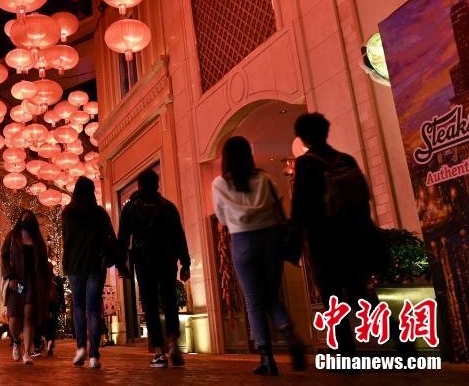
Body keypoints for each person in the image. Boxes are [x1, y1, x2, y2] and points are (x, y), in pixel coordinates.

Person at [291, 112, 398, 360]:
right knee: (361, 295)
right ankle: (399, 338)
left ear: (303, 137)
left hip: (324, 243)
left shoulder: (306, 164)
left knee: (332, 299)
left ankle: (344, 352)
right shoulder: (346, 160)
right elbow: (365, 201)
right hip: (354, 240)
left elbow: (301, 207)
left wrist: (296, 241)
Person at [213, 136, 307, 375]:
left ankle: (267, 358)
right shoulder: (264, 178)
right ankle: (289, 333)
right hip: (270, 238)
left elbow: (222, 218)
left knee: (254, 301)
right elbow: (279, 208)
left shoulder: (220, 184)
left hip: (243, 241)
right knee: (271, 296)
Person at [118, 168, 190, 368]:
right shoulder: (168, 207)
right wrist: (185, 262)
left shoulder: (130, 208)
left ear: (139, 186)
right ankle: (174, 343)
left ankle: (159, 351)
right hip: (167, 259)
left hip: (143, 259)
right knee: (169, 300)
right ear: (157, 185)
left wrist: (121, 264)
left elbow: (123, 238)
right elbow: (179, 236)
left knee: (149, 304)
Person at [63, 176, 117, 369]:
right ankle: (94, 355)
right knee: (93, 309)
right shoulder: (99, 213)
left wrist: (66, 264)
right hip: (95, 266)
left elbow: (65, 241)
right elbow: (111, 236)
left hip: (75, 266)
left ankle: (80, 349)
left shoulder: (68, 212)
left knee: (78, 307)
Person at [0, 209, 51, 365]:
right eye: (24, 217)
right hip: (16, 283)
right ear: (20, 220)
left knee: (29, 316)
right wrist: (10, 276)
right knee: (14, 318)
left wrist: (47, 286)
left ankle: (27, 353)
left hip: (32, 284)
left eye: (30, 217)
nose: (27, 220)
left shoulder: (39, 242)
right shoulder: (12, 237)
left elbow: (44, 266)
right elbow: (4, 257)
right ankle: (16, 341)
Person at [42, 273, 65, 357]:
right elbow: (62, 294)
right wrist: (63, 307)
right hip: (56, 304)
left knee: (46, 324)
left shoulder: (42, 278)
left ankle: (48, 341)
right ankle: (51, 340)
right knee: (53, 325)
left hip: (45, 305)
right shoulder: (58, 279)